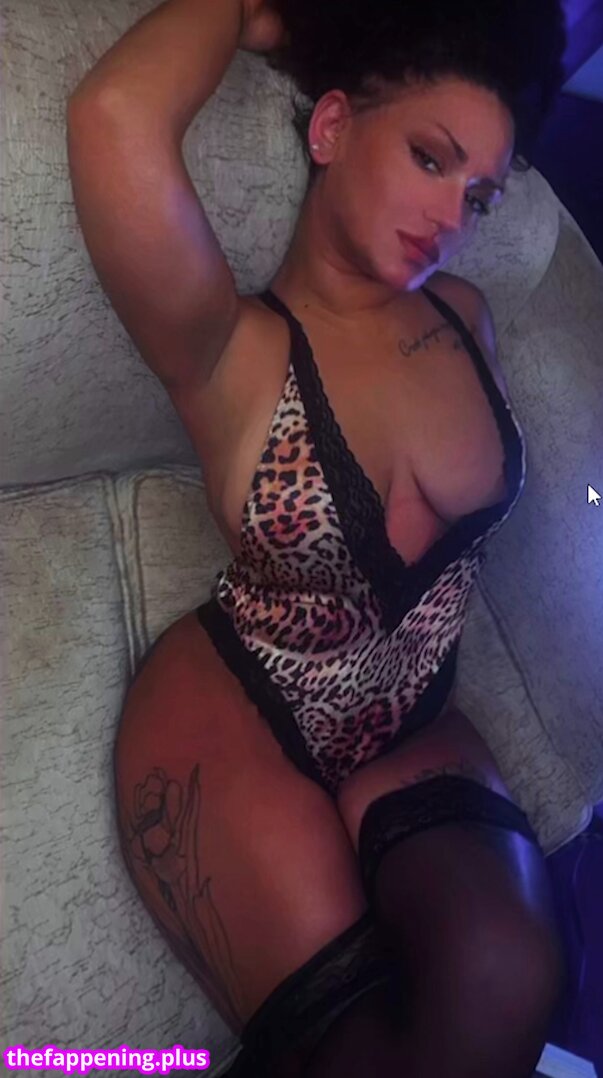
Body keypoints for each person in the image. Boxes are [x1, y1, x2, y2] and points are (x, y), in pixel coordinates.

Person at [67, 0, 569, 1074]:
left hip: (415, 715)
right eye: (429, 157)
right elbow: (113, 117)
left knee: (514, 975)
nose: (452, 214)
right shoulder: (229, 351)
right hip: (241, 712)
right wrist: (251, 12)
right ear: (332, 127)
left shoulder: (467, 315)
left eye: (478, 193)